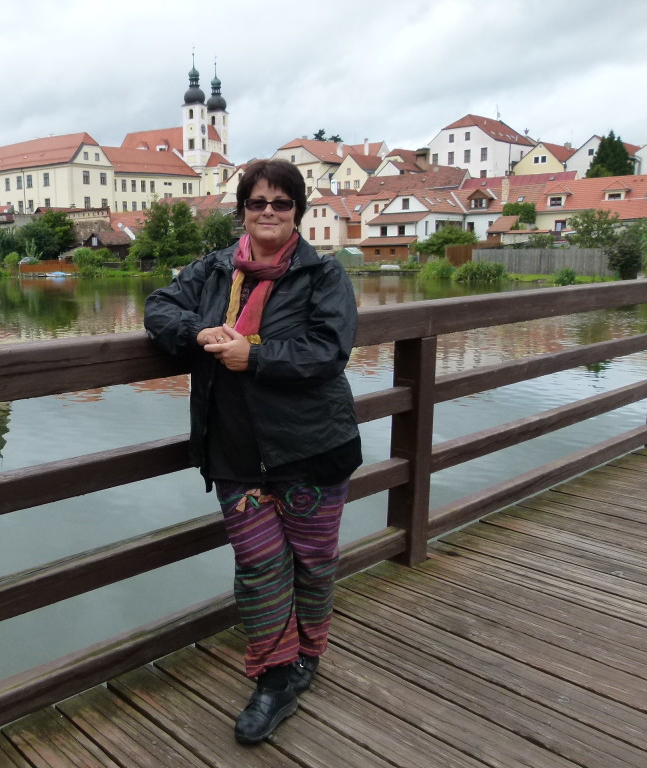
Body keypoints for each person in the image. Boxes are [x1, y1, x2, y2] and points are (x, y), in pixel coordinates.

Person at [143, 159, 361, 744]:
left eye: (281, 203)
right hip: (237, 453)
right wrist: (198, 333)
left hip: (312, 447)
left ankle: (308, 656)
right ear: (242, 210)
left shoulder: (323, 277)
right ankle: (273, 678)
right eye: (258, 202)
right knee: (260, 566)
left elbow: (328, 350)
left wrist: (254, 357)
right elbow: (159, 306)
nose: (269, 211)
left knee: (313, 565)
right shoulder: (214, 270)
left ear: (298, 214)